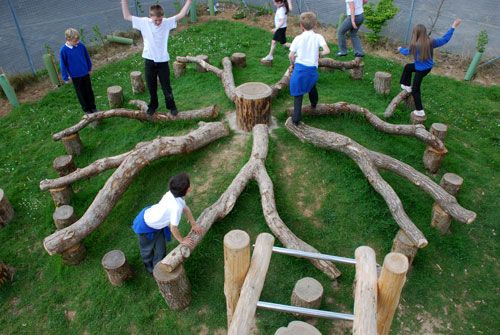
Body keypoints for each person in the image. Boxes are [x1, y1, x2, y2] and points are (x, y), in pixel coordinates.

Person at [121, 0, 192, 116]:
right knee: (151, 86)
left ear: (163, 16)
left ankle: (172, 106)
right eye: (155, 20)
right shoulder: (144, 22)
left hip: (163, 61)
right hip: (149, 60)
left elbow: (181, 14)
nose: (158, 22)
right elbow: (126, 16)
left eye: (160, 19)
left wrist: (189, 1)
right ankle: (153, 105)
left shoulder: (166, 22)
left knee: (166, 86)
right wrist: (124, 2)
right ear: (150, 16)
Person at [132, 173, 203, 274]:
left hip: (157, 224)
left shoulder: (173, 195)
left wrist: (194, 224)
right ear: (187, 190)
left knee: (161, 249)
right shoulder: (176, 207)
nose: (190, 187)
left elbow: (185, 209)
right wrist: (182, 240)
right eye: (189, 186)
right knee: (147, 249)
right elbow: (173, 228)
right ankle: (149, 268)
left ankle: (159, 267)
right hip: (145, 226)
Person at [398, 19, 461, 117]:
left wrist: (400, 49)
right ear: (424, 33)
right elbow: (445, 39)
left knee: (416, 90)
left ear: (415, 34)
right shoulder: (431, 42)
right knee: (408, 67)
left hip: (420, 70)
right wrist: (453, 27)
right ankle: (406, 85)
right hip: (427, 68)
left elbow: (407, 52)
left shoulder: (415, 45)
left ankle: (420, 111)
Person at [288, 12, 330, 126]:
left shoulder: (298, 38)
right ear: (315, 24)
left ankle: (296, 119)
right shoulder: (318, 37)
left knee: (298, 93)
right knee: (311, 85)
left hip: (300, 70)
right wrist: (318, 53)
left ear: (301, 25)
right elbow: (327, 51)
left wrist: (292, 64)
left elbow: (291, 55)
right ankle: (314, 104)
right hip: (311, 71)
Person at [59, 28, 97, 115]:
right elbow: (62, 65)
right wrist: (65, 77)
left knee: (89, 91)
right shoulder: (63, 50)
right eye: (75, 40)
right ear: (68, 39)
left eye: (78, 40)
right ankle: (87, 110)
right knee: (81, 93)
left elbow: (87, 56)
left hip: (85, 73)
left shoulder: (81, 46)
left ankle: (93, 107)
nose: (77, 42)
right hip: (75, 76)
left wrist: (89, 67)